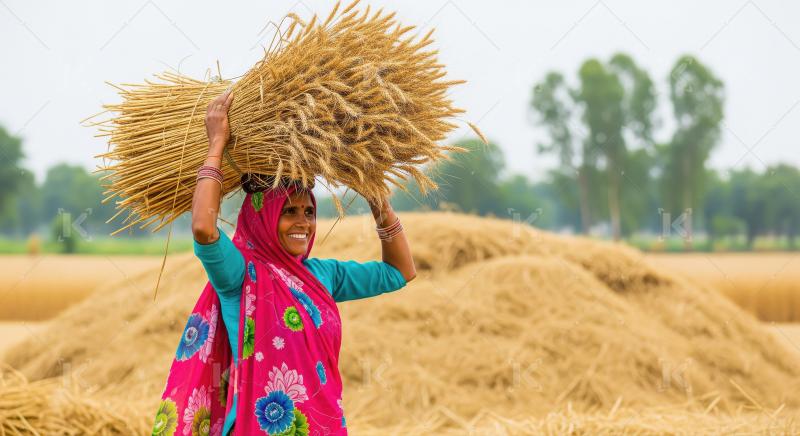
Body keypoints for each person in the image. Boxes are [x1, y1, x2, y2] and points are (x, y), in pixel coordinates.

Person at [150, 89, 416, 436]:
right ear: (261, 216)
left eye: (308, 211)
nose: (303, 222)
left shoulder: (323, 275)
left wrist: (378, 200)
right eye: (288, 212)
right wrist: (216, 144)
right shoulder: (238, 274)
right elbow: (203, 227)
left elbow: (400, 272)